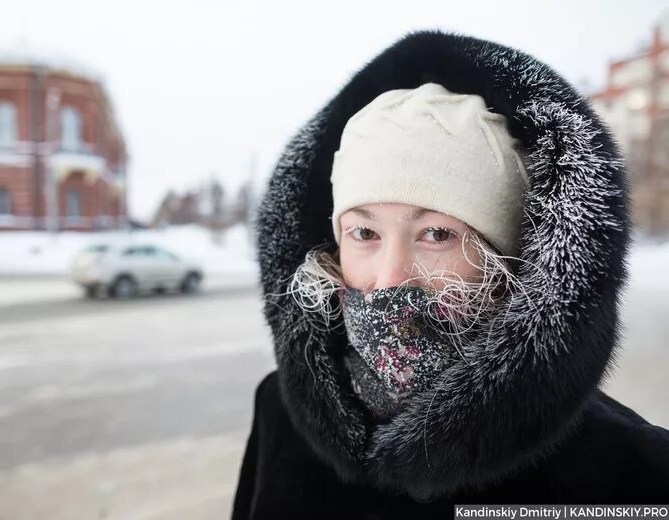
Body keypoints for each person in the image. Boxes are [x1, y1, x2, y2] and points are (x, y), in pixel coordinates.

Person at [230, 30, 669, 519]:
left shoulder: (632, 473)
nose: (390, 276)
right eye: (364, 234)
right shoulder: (281, 415)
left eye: (436, 234)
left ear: (508, 261)